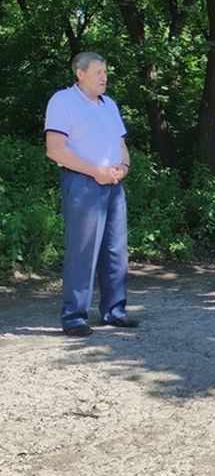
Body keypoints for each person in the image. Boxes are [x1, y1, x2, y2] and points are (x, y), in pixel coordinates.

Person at [44, 52, 139, 336]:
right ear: (79, 73)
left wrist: (123, 167)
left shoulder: (109, 104)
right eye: (98, 71)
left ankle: (114, 311)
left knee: (115, 250)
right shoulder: (63, 101)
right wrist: (94, 171)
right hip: (83, 183)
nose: (104, 76)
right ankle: (74, 316)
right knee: (83, 250)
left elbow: (121, 146)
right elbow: (55, 149)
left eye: (106, 71)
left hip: (113, 183)